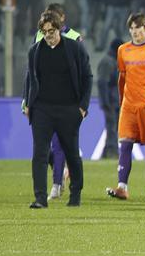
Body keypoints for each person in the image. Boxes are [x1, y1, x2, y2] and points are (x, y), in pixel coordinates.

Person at [23, 12, 93, 208]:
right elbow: (30, 79)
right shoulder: (34, 51)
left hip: (69, 109)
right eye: (44, 32)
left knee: (71, 153)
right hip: (42, 110)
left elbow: (87, 77)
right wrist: (28, 104)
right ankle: (40, 198)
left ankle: (75, 196)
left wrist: (82, 107)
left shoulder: (74, 48)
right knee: (40, 154)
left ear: (59, 28)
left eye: (51, 31)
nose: (48, 35)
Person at [106, 13, 145, 201]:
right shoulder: (123, 50)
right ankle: (122, 188)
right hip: (129, 106)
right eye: (131, 28)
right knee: (125, 145)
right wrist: (121, 101)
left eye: (138, 27)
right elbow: (122, 78)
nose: (134, 32)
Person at [34, 4, 81, 200]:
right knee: (45, 147)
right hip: (43, 101)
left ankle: (56, 184)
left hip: (67, 102)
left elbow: (81, 70)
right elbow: (33, 71)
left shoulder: (75, 38)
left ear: (62, 18)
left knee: (58, 144)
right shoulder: (39, 37)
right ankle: (61, 172)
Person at [96, 37, 121, 158]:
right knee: (112, 127)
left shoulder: (113, 61)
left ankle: (106, 153)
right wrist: (105, 102)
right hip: (110, 101)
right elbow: (102, 83)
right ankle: (112, 152)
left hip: (115, 101)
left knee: (113, 127)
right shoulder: (107, 62)